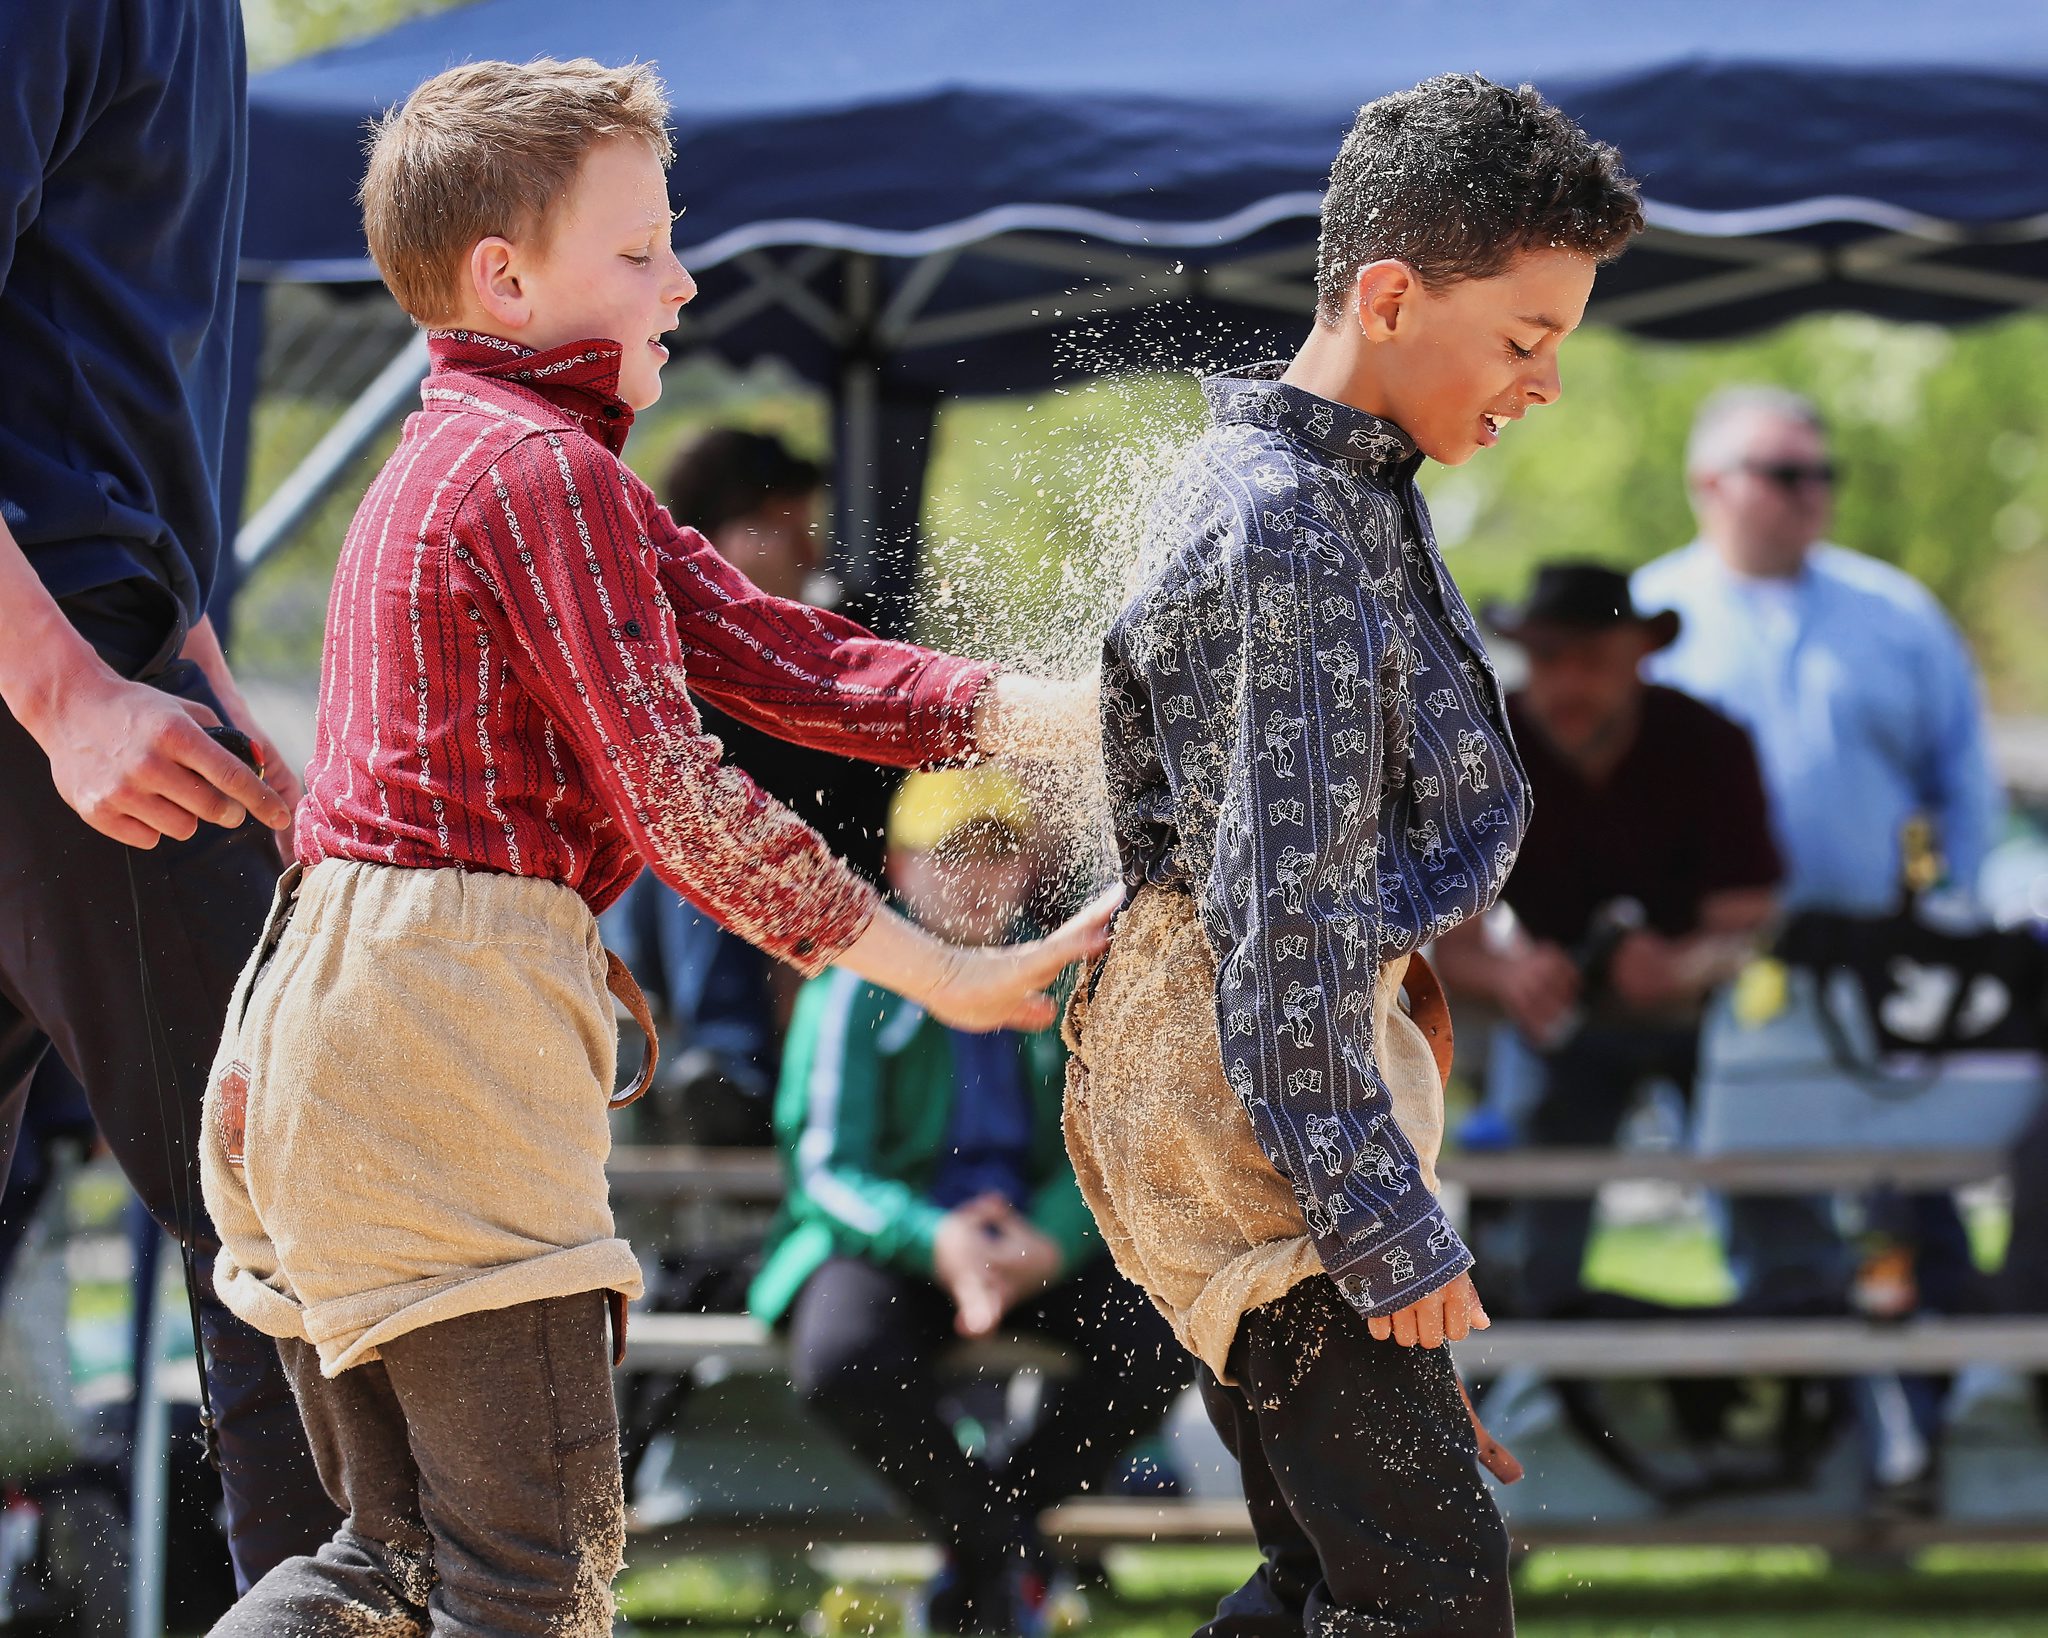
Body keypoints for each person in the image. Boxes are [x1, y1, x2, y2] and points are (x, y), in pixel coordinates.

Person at [198, 60, 1113, 1637]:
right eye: (639, 252)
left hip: (332, 1024)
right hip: (435, 1025)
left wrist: (1085, 716)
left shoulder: (495, 462)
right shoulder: (540, 473)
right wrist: (937, 970)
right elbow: (681, 799)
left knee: (391, 1565)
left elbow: (790, 659)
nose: (681, 281)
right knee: (531, 1578)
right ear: (506, 280)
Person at [1064, 75, 1643, 1637]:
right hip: (1272, 1109)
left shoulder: (1332, 494)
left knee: (1336, 1583)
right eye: (1523, 339)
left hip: (1272, 1093)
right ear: (1387, 298)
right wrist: (1380, 1225)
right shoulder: (1286, 528)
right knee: (1427, 1599)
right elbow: (1287, 920)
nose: (1546, 383)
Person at [0, 0, 339, 1589]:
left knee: (297, 1200)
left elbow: (99, 364)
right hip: (49, 659)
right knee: (312, 1200)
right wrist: (69, 691)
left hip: (107, 643)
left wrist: (191, 644)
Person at [754, 767, 1185, 1635]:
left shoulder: (1069, 973)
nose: (976, 877)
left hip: (1032, 1239)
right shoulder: (856, 980)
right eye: (949, 856)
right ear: (898, 868)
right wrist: (939, 1242)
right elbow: (827, 1170)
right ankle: (1006, 1553)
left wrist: (1049, 1242)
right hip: (897, 1244)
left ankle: (982, 1550)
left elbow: (1109, 1150)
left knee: (1164, 1337)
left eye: (997, 854)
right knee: (841, 1361)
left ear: (1026, 868)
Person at [1433, 561, 1781, 1316]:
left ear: (1639, 657)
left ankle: (1797, 1361)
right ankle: (1534, 1368)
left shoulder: (1710, 742)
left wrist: (1682, 966)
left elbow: (1753, 922)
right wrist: (1515, 973)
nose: (1569, 682)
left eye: (1593, 660)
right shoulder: (1482, 751)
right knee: (1529, 1241)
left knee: (1778, 1206)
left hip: (1707, 1020)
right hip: (1559, 1023)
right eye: (1548, 657)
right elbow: (1454, 944)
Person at [602, 429, 898, 1140]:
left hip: (814, 903)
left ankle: (728, 1066)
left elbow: (871, 815)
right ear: (726, 541)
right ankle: (722, 1066)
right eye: (787, 529)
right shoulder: (655, 644)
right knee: (683, 828)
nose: (811, 552)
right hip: (694, 915)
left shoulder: (844, 637)